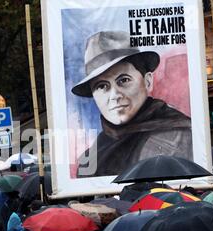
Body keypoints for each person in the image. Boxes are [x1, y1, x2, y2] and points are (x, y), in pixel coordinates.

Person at [72, 31, 192, 177]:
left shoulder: (180, 135)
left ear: (147, 81)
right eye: (102, 86)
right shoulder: (92, 157)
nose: (115, 96)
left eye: (123, 80)